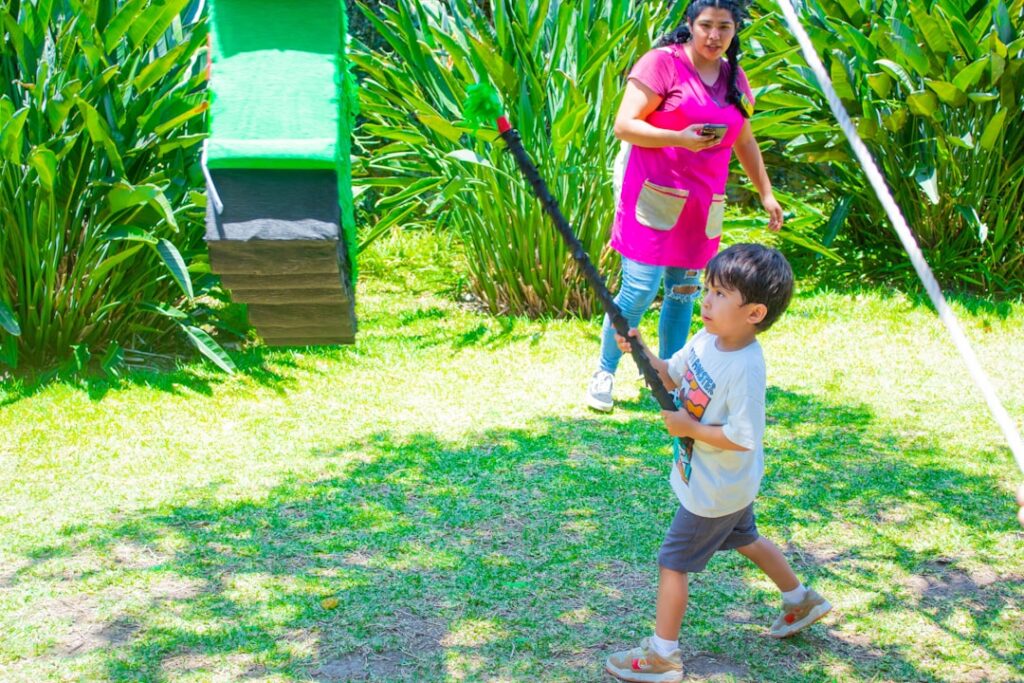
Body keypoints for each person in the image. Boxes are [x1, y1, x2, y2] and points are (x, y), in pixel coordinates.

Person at [603, 244, 831, 683]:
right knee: (745, 537)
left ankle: (663, 656)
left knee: (673, 561)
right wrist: (639, 348)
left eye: (721, 294)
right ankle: (800, 599)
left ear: (755, 312)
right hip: (726, 483)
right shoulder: (707, 338)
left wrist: (688, 428)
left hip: (717, 488)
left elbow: (742, 438)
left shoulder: (744, 367)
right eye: (708, 289)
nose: (706, 300)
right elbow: (669, 373)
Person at [586, 0, 783, 412]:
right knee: (638, 291)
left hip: (701, 206)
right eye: (706, 25)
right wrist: (680, 137)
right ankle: (605, 370)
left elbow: (744, 139)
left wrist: (765, 192)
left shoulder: (735, 77)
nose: (714, 36)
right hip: (652, 200)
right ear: (690, 25)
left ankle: (669, 377)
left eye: (724, 28)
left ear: (735, 30)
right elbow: (625, 125)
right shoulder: (661, 64)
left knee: (684, 294)